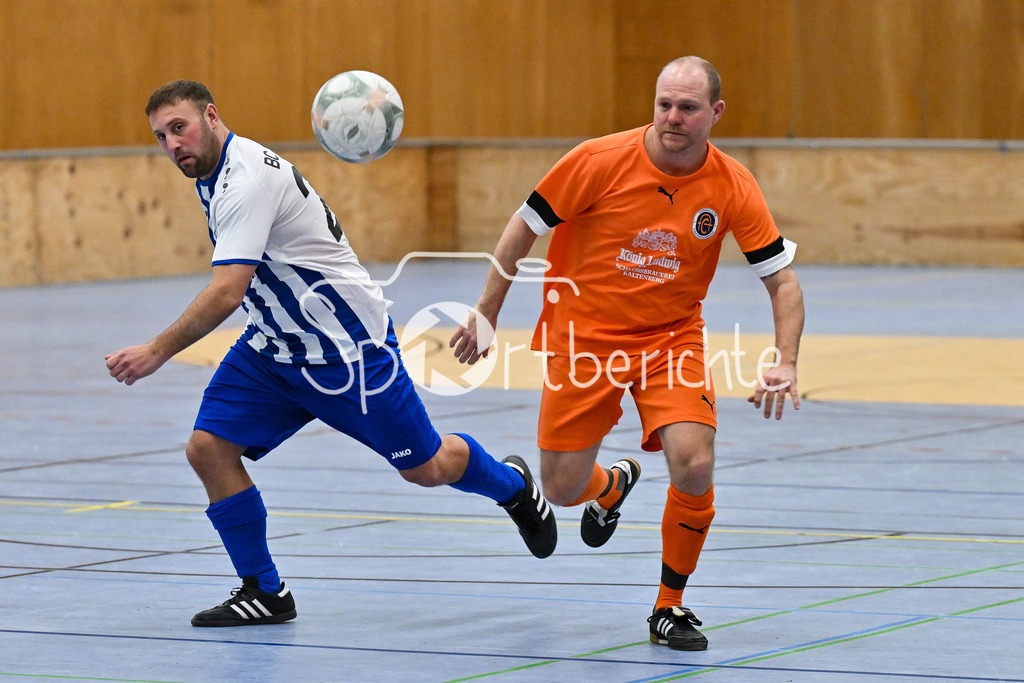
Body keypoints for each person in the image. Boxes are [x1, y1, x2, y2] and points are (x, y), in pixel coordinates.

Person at [105, 80, 556, 627]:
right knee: (207, 448)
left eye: (180, 128)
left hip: (346, 352)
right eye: (161, 136)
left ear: (212, 116)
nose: (173, 144)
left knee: (427, 467)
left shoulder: (244, 181)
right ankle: (265, 591)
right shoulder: (212, 171)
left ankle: (513, 486)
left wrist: (157, 350)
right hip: (274, 348)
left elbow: (228, 290)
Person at [450, 56, 804, 651]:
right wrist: (487, 310)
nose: (672, 117)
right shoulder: (597, 161)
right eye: (664, 103)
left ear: (715, 113)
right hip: (583, 340)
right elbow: (523, 226)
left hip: (671, 340)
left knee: (694, 463)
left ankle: (670, 606)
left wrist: (785, 359)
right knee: (561, 489)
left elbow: (783, 281)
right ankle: (610, 487)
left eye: (688, 108)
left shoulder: (733, 184)